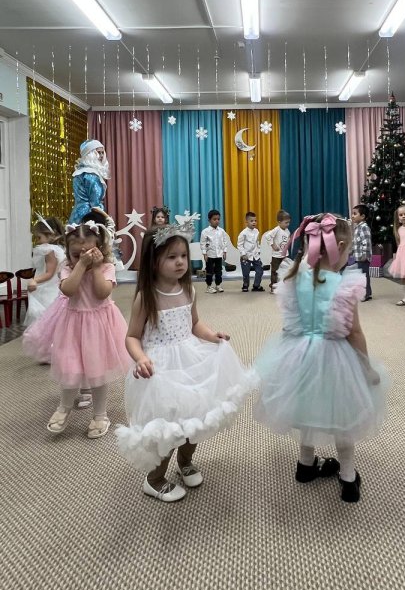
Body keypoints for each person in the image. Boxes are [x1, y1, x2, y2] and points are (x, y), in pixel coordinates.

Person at [115, 222, 256, 502]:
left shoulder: (188, 291)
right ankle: (154, 479)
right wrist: (140, 358)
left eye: (183, 255)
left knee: (195, 421)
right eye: (171, 257)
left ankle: (186, 461)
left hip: (190, 363)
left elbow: (194, 324)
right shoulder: (146, 297)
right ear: (153, 261)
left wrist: (211, 335)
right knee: (167, 429)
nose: (180, 262)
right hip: (160, 371)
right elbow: (131, 336)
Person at [253, 213, 388, 503]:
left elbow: (290, 323)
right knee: (343, 417)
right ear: (341, 246)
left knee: (306, 408)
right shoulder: (343, 285)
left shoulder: (294, 278)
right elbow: (354, 332)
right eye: (348, 251)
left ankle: (305, 465)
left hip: (299, 355)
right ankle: (348, 478)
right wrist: (366, 367)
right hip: (335, 358)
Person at [23, 221, 130, 437]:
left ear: (99, 249)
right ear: (68, 253)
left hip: (99, 326)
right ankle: (64, 407)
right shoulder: (68, 268)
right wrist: (80, 266)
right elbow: (69, 290)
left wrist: (96, 267)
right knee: (70, 367)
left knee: (98, 372)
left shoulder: (106, 268)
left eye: (89, 253)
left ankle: (100, 415)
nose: (83, 258)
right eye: (75, 255)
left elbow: (101, 293)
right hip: (73, 326)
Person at [23, 214, 66, 334]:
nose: (38, 241)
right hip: (55, 286)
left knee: (44, 315)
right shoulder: (60, 249)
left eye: (39, 237)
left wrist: (34, 280)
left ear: (50, 235)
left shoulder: (49, 250)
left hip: (47, 288)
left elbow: (49, 273)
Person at [68, 140, 110, 224]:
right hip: (89, 217)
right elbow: (95, 205)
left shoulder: (79, 173)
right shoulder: (91, 175)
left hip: (77, 215)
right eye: (98, 153)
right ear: (90, 154)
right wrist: (107, 218)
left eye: (102, 152)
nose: (101, 156)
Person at [200, 209, 228, 294]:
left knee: (219, 270)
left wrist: (224, 252)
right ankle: (209, 286)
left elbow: (225, 241)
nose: (217, 221)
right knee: (209, 271)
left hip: (219, 254)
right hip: (210, 255)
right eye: (214, 219)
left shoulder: (221, 231)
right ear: (209, 220)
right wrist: (204, 254)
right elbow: (203, 243)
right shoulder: (205, 231)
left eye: (218, 219)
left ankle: (218, 284)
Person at [264, 210, 291, 294]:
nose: (288, 224)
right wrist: (273, 245)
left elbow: (287, 241)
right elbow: (267, 236)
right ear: (279, 222)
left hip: (284, 255)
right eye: (286, 223)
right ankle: (273, 286)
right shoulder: (276, 230)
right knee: (275, 272)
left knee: (285, 270)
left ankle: (284, 286)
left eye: (289, 222)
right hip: (276, 256)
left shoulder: (287, 231)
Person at [351, 204, 373, 302]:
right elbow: (356, 242)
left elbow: (366, 242)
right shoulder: (358, 227)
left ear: (363, 216)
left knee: (363, 276)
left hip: (362, 257)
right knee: (360, 275)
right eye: (352, 214)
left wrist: (364, 255)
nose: (352, 216)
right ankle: (365, 292)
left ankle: (366, 294)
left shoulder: (364, 227)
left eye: (355, 214)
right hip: (357, 256)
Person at [237, 211, 264, 292]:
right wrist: (243, 254)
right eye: (251, 221)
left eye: (255, 221)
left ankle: (256, 285)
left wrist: (258, 250)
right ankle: (245, 285)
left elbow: (257, 242)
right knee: (246, 272)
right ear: (246, 222)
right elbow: (239, 244)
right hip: (246, 256)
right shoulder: (243, 233)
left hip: (255, 255)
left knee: (260, 270)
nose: (254, 222)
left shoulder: (257, 231)